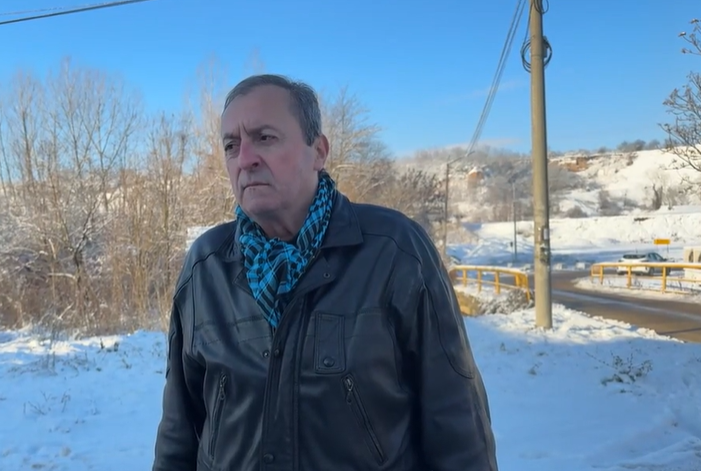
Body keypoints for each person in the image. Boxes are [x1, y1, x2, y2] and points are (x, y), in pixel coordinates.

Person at [152, 74, 498, 471]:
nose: (245, 159)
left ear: (318, 151)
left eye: (265, 138)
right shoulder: (206, 266)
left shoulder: (395, 252)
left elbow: (456, 421)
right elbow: (180, 430)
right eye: (232, 145)